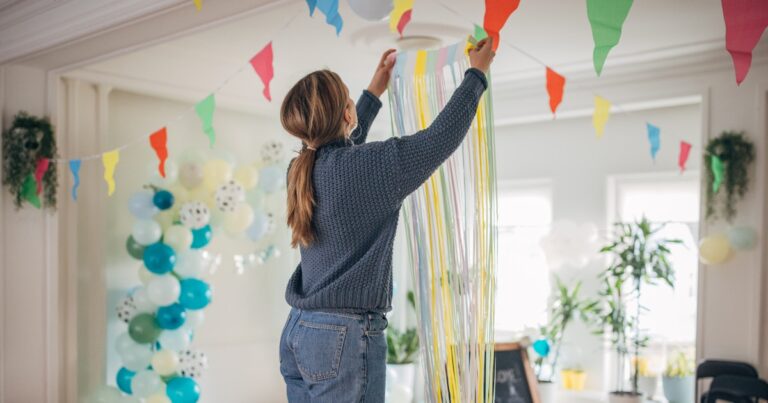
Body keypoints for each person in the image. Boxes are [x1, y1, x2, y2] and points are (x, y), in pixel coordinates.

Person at [278, 38, 495, 403]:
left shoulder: (299, 169)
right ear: (346, 114)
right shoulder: (368, 168)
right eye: (349, 100)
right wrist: (477, 74)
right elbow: (440, 138)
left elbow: (342, 150)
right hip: (343, 337)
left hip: (300, 331)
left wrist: (372, 93)